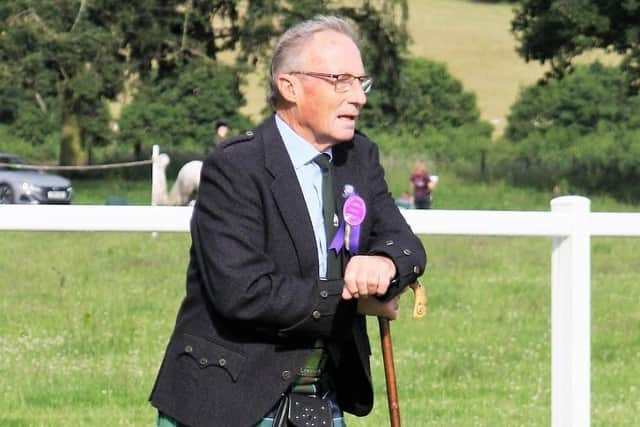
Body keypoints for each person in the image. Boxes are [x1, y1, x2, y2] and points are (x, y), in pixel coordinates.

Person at [150, 15, 426, 427]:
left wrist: (385, 263)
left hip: (322, 400)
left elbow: (403, 242)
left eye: (360, 83)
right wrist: (352, 301)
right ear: (289, 86)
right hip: (226, 403)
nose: (359, 97)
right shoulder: (235, 167)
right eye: (341, 81)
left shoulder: (360, 158)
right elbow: (243, 293)